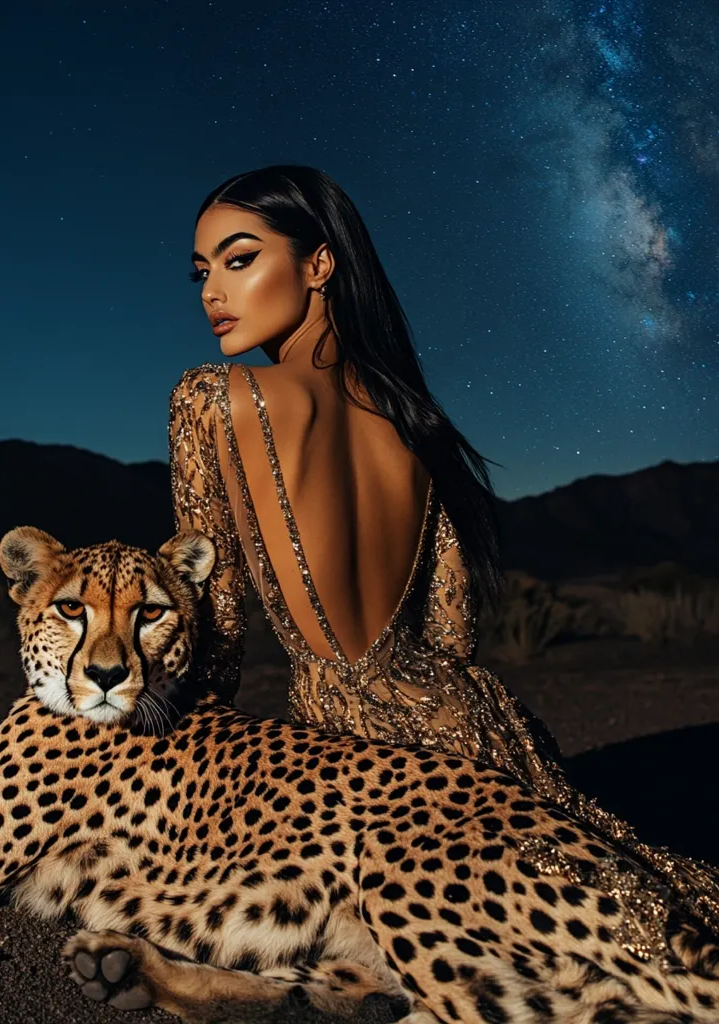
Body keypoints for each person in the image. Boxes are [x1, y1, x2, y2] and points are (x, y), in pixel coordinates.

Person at [169, 164, 719, 944]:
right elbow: (454, 638)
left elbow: (213, 630)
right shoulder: (414, 423)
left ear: (320, 264)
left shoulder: (212, 398)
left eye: (238, 258)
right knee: (628, 910)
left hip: (358, 758)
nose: (211, 293)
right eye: (202, 272)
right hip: (478, 724)